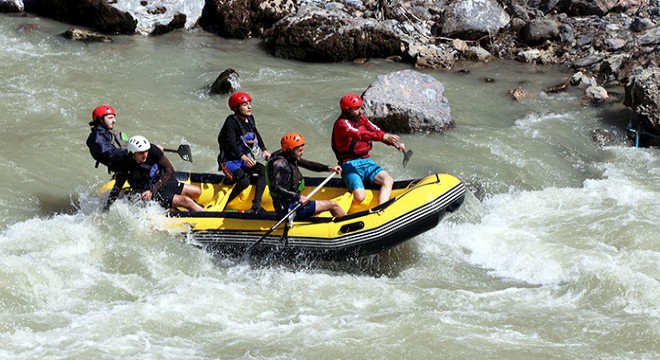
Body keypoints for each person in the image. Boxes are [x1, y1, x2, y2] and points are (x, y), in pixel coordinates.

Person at [331, 94, 405, 205]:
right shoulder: (342, 124)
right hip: (349, 164)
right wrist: (383, 137)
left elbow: (375, 130)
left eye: (361, 107)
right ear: (346, 110)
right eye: (356, 109)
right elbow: (360, 134)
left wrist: (392, 142)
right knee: (360, 197)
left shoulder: (361, 118)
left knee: (388, 180)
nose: (360, 111)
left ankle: (381, 209)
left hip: (366, 161)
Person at [105, 135, 205, 212]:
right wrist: (106, 208)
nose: (145, 155)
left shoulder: (152, 150)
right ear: (133, 153)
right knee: (185, 200)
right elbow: (117, 186)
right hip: (147, 191)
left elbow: (170, 170)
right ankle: (204, 215)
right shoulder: (126, 164)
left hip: (160, 181)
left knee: (197, 191)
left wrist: (159, 152)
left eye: (146, 152)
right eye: (141, 153)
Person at [268, 132, 346, 219]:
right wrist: (298, 197)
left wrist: (329, 168)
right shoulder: (279, 164)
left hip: (293, 201)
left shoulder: (289, 155)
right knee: (333, 205)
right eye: (300, 151)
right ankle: (348, 225)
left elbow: (308, 164)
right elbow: (274, 187)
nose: (302, 153)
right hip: (289, 207)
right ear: (290, 149)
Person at [217, 92, 271, 214]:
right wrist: (244, 157)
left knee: (263, 171)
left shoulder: (250, 119)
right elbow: (231, 143)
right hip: (229, 161)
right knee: (244, 181)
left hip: (243, 160)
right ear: (236, 108)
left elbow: (256, 134)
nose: (249, 107)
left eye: (249, 104)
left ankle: (256, 205)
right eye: (245, 104)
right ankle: (224, 205)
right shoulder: (231, 121)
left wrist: (264, 149)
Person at [86, 105, 128, 173]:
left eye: (114, 117)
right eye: (110, 118)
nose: (114, 120)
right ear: (100, 119)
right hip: (125, 170)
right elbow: (109, 152)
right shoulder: (96, 137)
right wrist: (131, 152)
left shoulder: (109, 133)